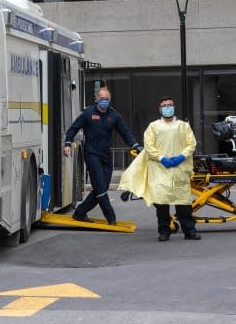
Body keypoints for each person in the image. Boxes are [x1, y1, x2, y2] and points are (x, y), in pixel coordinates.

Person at [117, 96, 200, 241]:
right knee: (161, 204)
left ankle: (190, 230)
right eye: (165, 105)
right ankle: (164, 231)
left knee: (183, 203)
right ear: (160, 109)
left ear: (174, 107)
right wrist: (162, 158)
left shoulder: (183, 126)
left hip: (179, 170)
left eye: (170, 105)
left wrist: (181, 156)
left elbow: (191, 144)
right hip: (160, 169)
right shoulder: (153, 127)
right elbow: (149, 146)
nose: (168, 108)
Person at [63, 87, 142, 225]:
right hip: (92, 154)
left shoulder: (113, 115)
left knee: (102, 188)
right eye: (101, 98)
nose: (104, 101)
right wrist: (68, 143)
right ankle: (111, 217)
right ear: (96, 99)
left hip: (106, 156)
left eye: (106, 99)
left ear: (109, 100)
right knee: (99, 186)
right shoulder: (88, 113)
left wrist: (135, 145)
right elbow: (73, 128)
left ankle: (80, 213)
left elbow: (125, 132)